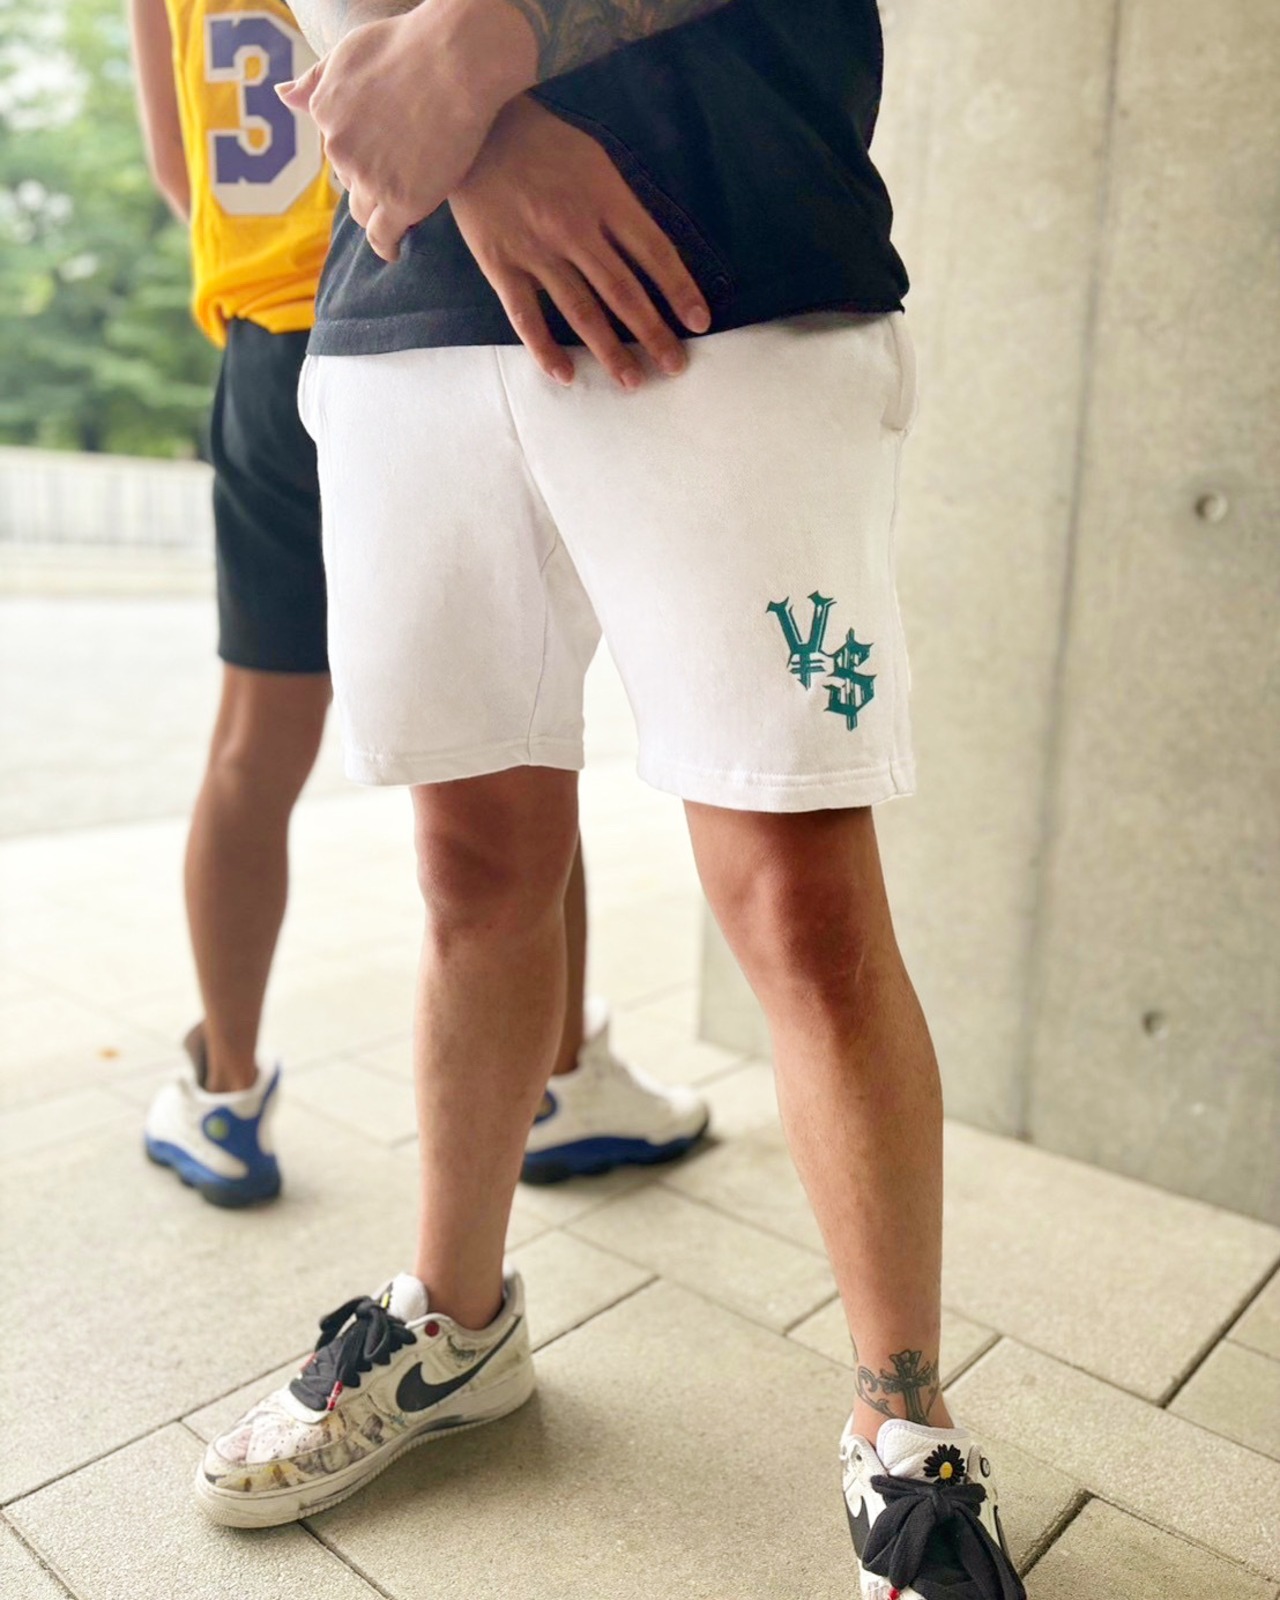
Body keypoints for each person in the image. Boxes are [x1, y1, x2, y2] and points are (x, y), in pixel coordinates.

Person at [193, 3, 1027, 1597]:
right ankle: (455, 1323)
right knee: (470, 873)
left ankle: (904, 1426)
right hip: (404, 298)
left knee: (799, 900)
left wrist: (495, 42)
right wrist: (472, 137)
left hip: (718, 254)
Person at [126, 0, 709, 1210]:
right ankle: (556, 1078)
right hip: (423, 296)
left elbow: (177, 170)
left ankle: (222, 1086)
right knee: (520, 724)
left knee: (253, 743)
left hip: (267, 342)